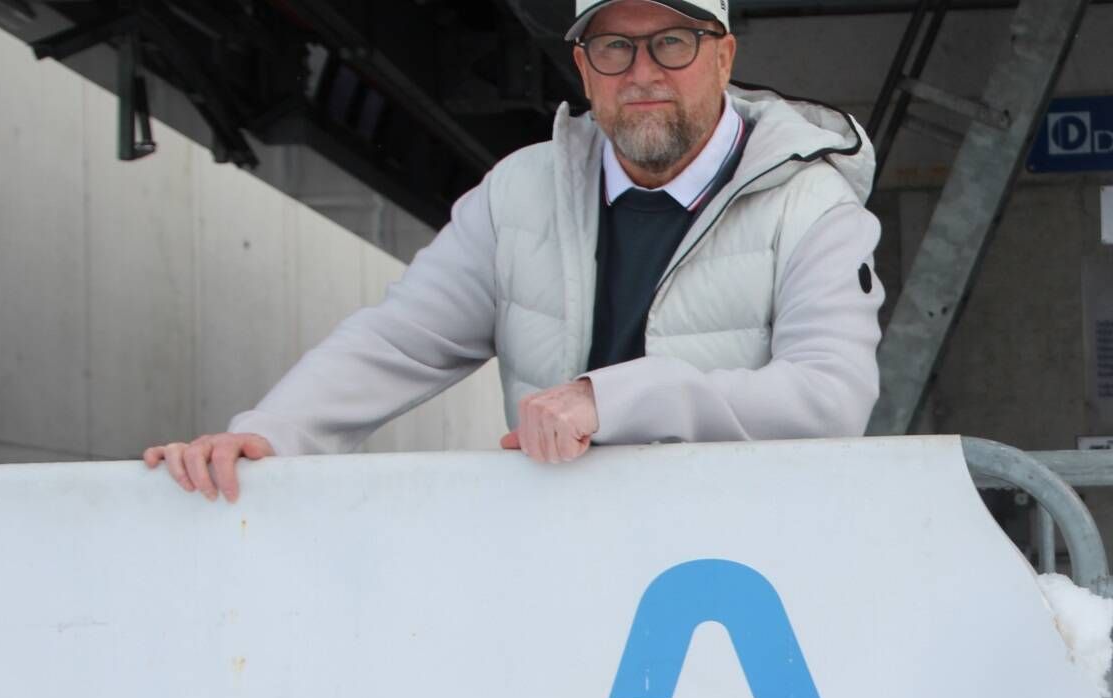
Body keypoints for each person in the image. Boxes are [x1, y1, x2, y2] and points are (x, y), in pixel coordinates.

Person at [145, 0, 885, 502]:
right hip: (558, 560)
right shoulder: (519, 193)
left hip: (739, 574)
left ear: (722, 56)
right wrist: (265, 435)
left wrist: (613, 399)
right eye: (613, 47)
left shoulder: (811, 203)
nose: (643, 71)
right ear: (583, 65)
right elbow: (397, 342)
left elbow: (830, 398)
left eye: (672, 42)